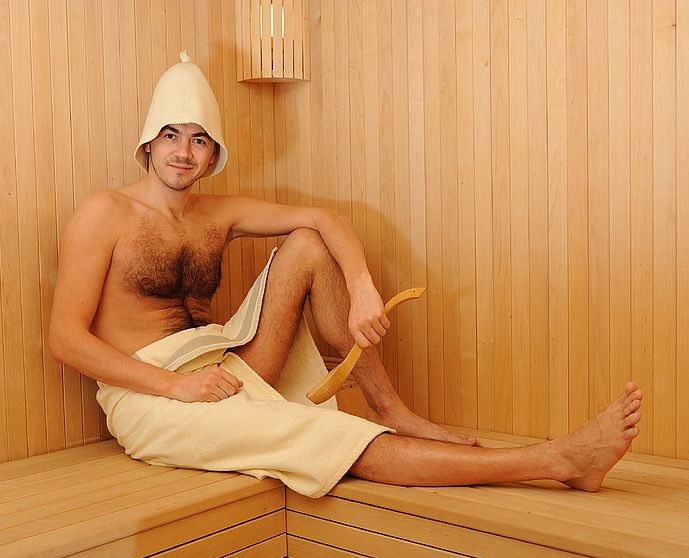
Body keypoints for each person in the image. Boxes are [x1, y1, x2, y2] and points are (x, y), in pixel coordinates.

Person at [48, 52, 642, 499]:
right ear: (148, 145)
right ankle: (557, 461)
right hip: (153, 396)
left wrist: (361, 286)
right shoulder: (104, 213)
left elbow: (323, 219)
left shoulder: (214, 213)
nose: (183, 151)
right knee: (329, 439)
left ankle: (386, 406)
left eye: (198, 139)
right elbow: (65, 338)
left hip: (223, 367)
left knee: (308, 242)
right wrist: (177, 387)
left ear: (213, 153)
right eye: (171, 137)